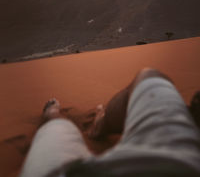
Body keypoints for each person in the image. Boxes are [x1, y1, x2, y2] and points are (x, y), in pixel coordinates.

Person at [19, 68, 200, 177]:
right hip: (180, 149)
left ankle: (54, 113)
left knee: (57, 126)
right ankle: (101, 123)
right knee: (150, 76)